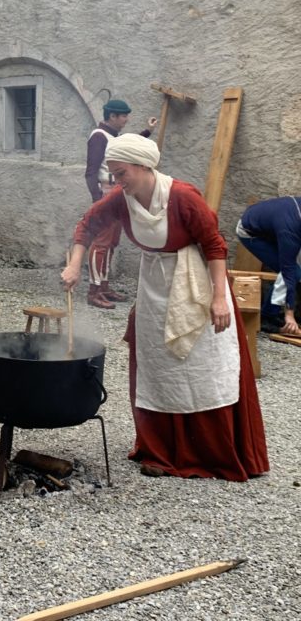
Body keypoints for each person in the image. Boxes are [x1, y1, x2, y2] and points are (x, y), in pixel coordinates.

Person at [63, 133, 268, 481]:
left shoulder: (183, 196)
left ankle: (208, 451)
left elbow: (215, 247)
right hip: (155, 283)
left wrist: (220, 298)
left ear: (144, 167)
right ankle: (160, 449)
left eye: (122, 173)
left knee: (200, 364)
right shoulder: (121, 198)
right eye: (113, 174)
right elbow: (88, 224)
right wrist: (74, 264)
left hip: (197, 283)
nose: (116, 181)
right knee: (158, 364)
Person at [83, 98, 157, 309]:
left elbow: (126, 149)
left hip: (116, 193)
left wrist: (147, 131)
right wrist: (98, 201)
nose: (126, 119)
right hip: (106, 194)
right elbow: (90, 172)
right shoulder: (98, 137)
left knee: (111, 242)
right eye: (123, 115)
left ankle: (104, 287)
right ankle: (94, 291)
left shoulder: (111, 137)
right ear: (112, 116)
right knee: (101, 243)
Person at [236, 197, 301, 336]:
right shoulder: (290, 229)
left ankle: (276, 313)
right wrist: (289, 313)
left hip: (269, 225)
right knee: (294, 273)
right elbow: (287, 269)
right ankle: (267, 317)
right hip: (250, 231)